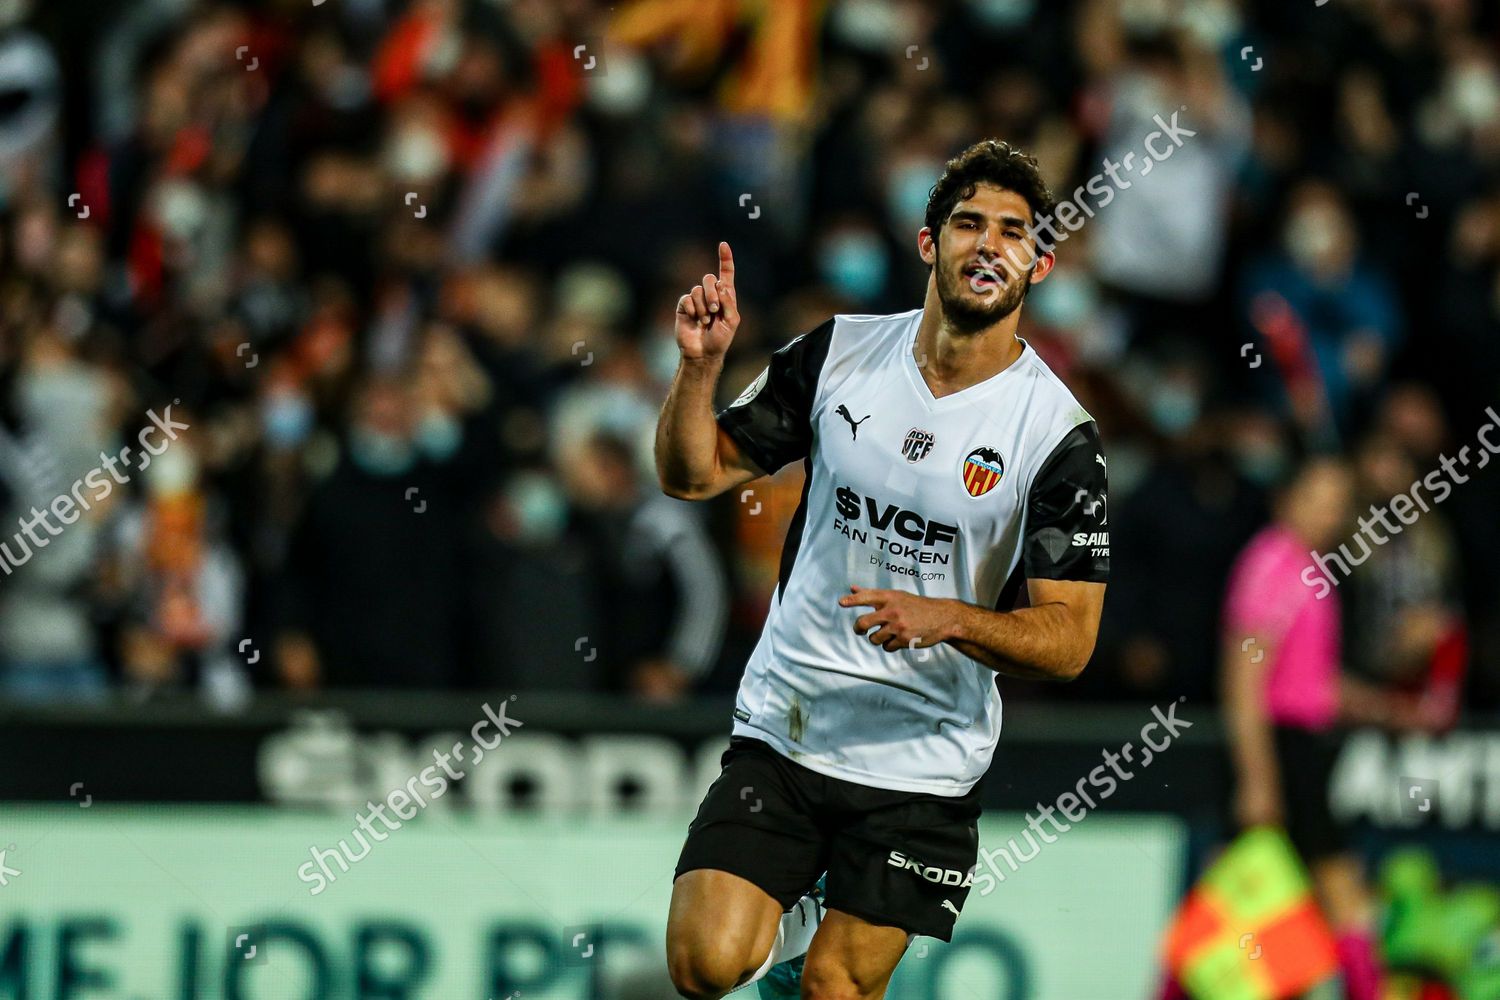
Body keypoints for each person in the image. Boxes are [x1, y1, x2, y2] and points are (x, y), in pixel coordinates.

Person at [654, 140, 1109, 1000]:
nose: (989, 244)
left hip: (923, 762)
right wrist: (699, 369)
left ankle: (809, 934)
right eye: (969, 222)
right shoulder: (839, 355)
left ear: (1039, 265)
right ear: (928, 242)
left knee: (833, 990)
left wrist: (953, 619)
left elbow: (1072, 640)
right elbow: (692, 473)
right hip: (791, 723)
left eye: (1014, 232)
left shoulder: (1056, 437)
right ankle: (796, 905)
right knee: (703, 965)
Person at [1220, 457, 1441, 1000]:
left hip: (1305, 748)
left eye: (1338, 502)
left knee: (1266, 904)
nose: (1328, 512)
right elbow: (1244, 681)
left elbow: (1316, 684)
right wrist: (1258, 777)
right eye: (1317, 496)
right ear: (1287, 498)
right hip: (1282, 750)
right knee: (1335, 892)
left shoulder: (1308, 571)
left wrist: (1389, 710)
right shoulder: (1272, 562)